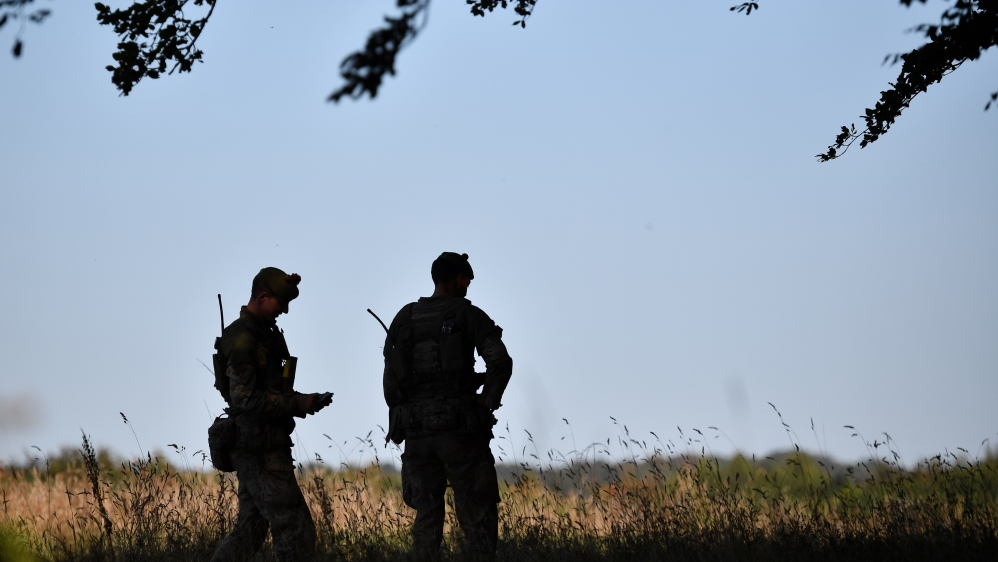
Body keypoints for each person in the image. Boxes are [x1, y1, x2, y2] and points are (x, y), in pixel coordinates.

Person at [382, 252, 513, 561]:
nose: (467, 285)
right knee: (477, 514)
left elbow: (390, 380)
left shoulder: (405, 317)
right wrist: (485, 404)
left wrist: (405, 414)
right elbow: (499, 361)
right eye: (466, 279)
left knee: (427, 514)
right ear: (457, 279)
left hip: (418, 433)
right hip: (460, 431)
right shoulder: (466, 314)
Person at [210, 267, 332, 562]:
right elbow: (246, 399)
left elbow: (275, 388)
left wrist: (305, 401)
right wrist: (295, 404)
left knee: (251, 529)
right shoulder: (241, 337)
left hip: (265, 444)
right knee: (296, 531)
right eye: (281, 303)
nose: (285, 311)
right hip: (258, 448)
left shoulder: (267, 335)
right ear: (263, 296)